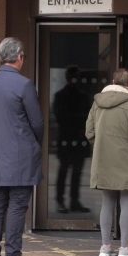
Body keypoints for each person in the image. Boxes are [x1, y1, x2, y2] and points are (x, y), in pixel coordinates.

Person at [0, 37, 44, 256]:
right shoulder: (24, 84)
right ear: (19, 57)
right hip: (21, 153)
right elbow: (37, 122)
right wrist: (36, 144)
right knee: (18, 204)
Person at [85, 68, 128, 256]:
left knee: (108, 201)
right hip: (127, 157)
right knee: (127, 201)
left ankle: (105, 246)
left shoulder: (98, 101)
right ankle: (125, 247)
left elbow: (89, 131)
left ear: (113, 81)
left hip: (103, 156)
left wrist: (100, 145)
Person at [53, 66, 91, 213]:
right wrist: (78, 129)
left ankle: (74, 201)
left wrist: (84, 130)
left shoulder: (83, 95)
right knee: (64, 170)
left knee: (77, 172)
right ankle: (60, 201)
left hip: (79, 138)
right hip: (67, 138)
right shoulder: (60, 95)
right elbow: (60, 117)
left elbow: (88, 115)